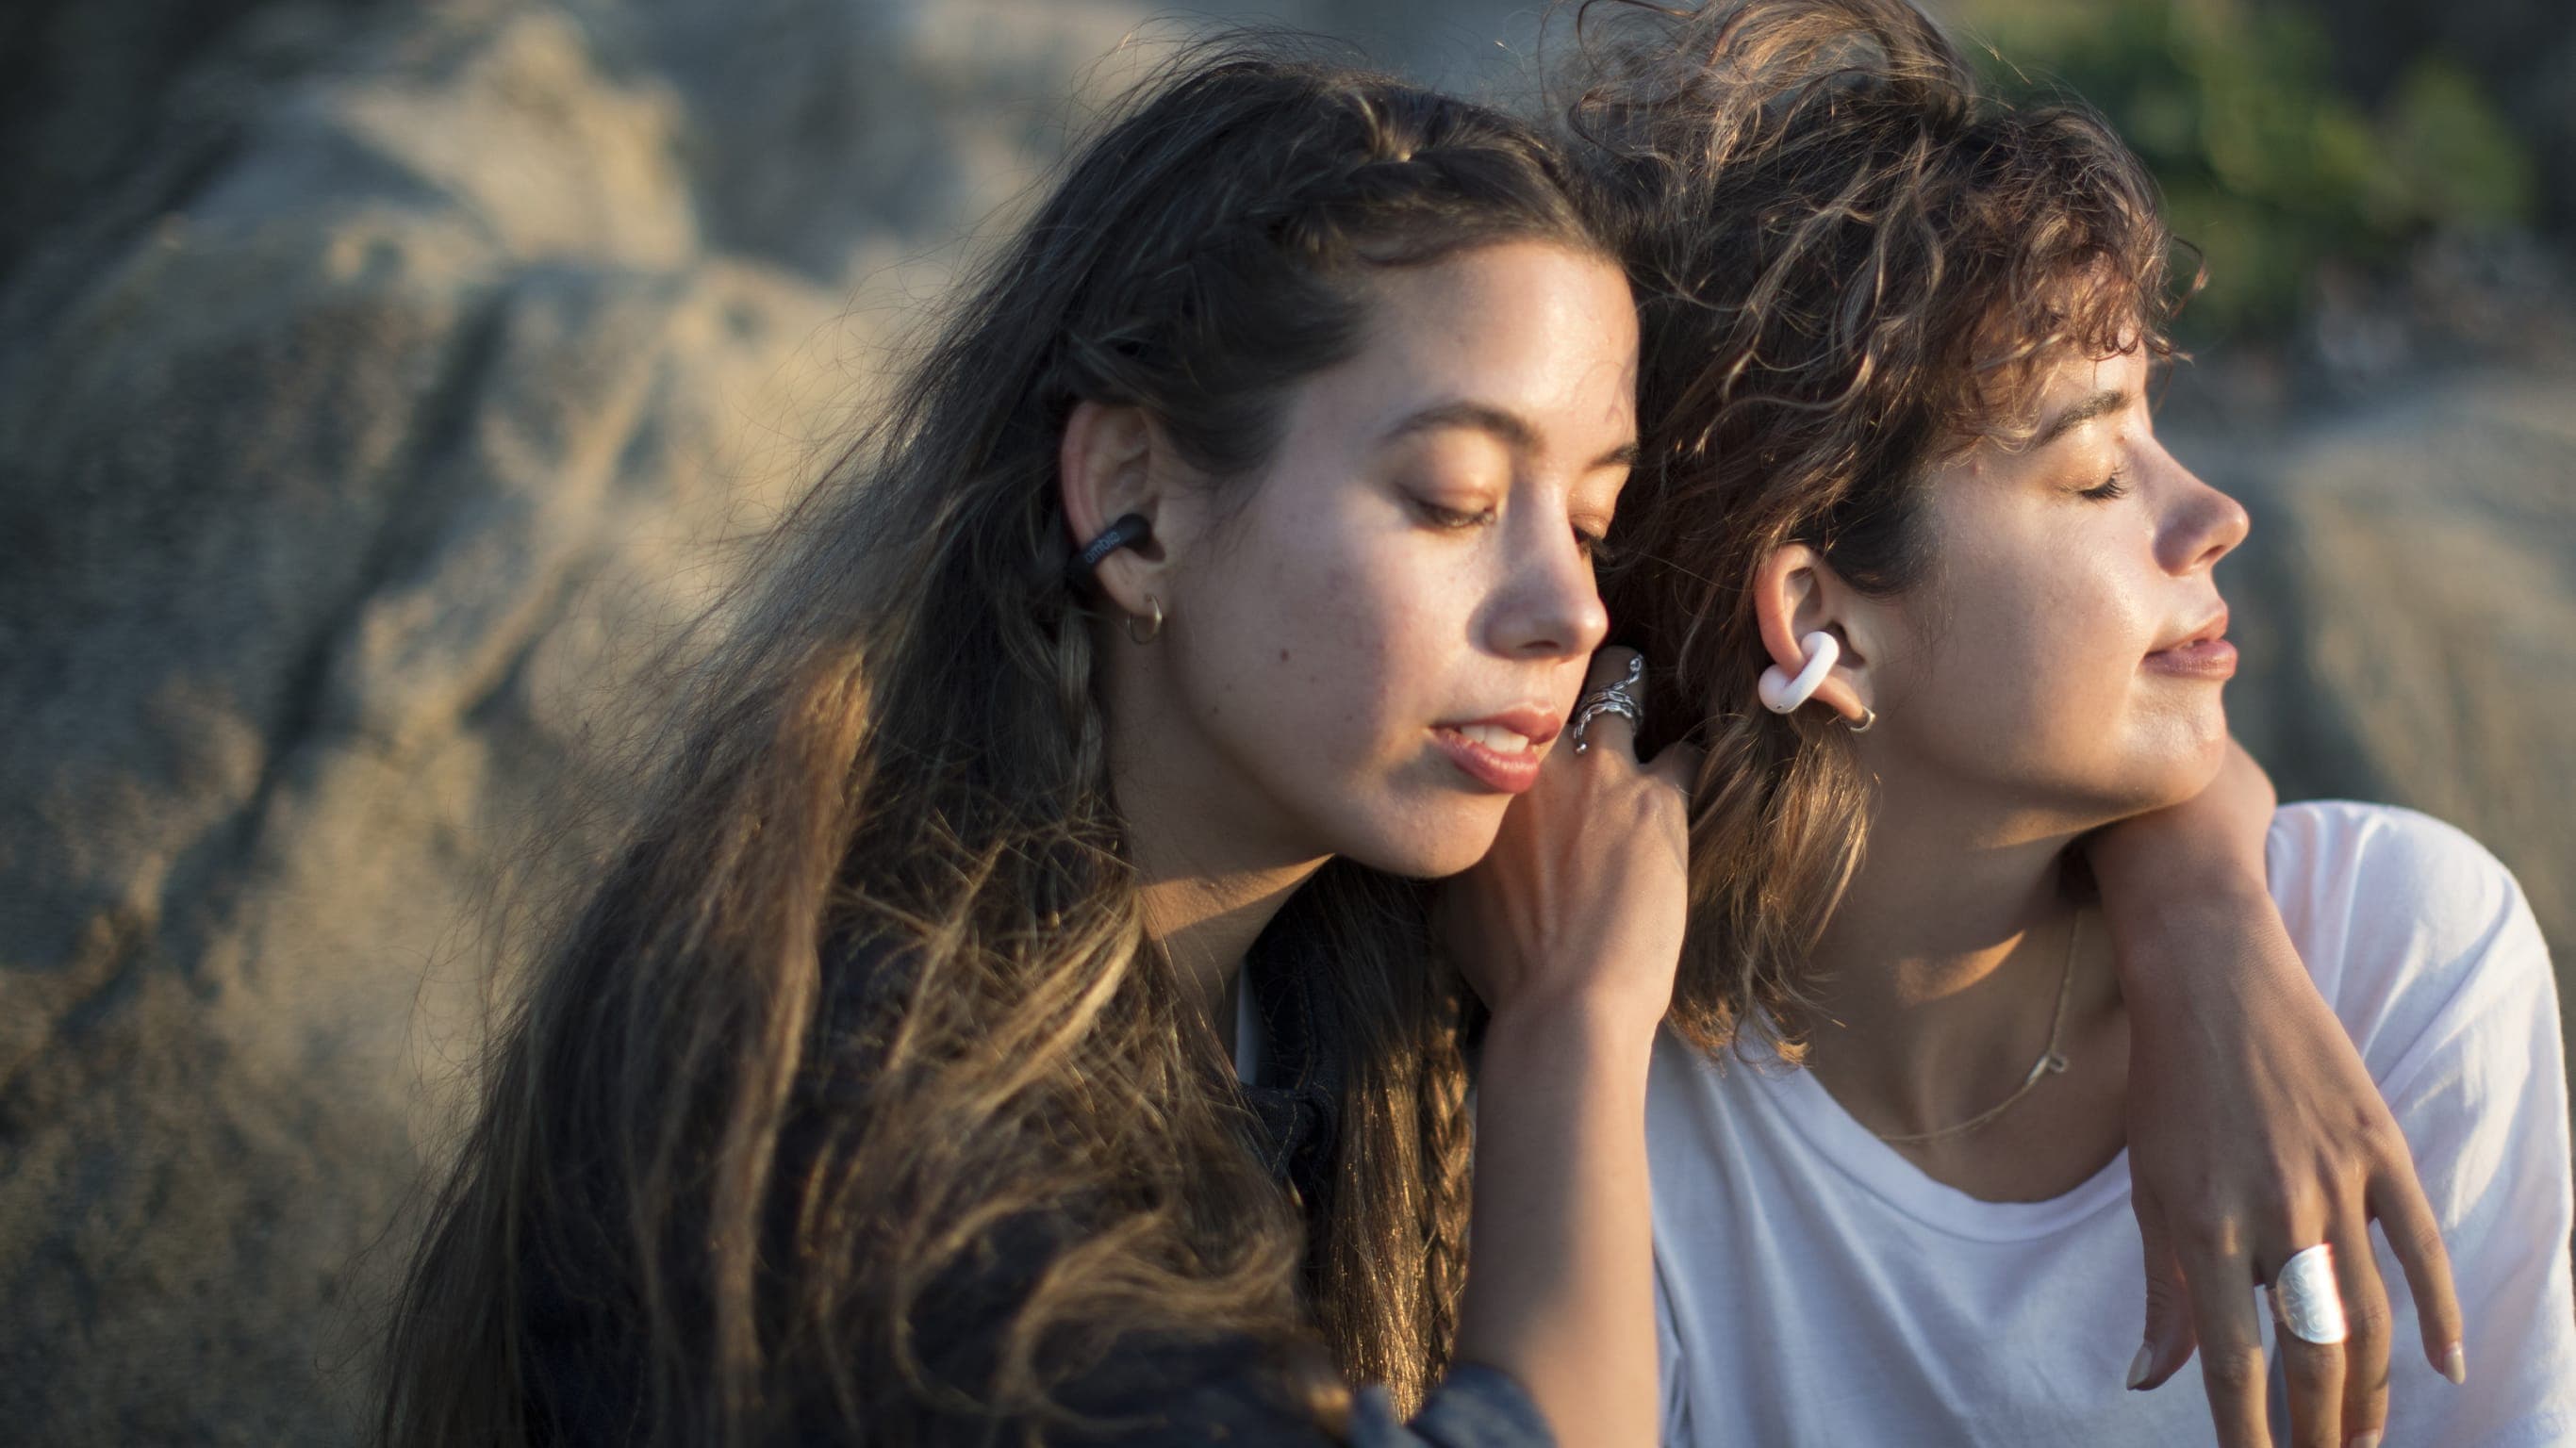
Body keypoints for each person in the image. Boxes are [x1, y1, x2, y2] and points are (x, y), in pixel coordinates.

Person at [376, 47, 1696, 1448]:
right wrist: (1574, 1035)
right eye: (1454, 498)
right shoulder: (855, 1087)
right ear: (1135, 495)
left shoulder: (1338, 999)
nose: (1571, 610)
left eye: (1593, 522)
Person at [1571, 3, 2576, 1444]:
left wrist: (2213, 925)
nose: (2215, 516)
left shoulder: (2392, 960)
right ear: (1823, 623)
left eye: (2158, 427)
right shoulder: (1627, 1106)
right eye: (2100, 470)